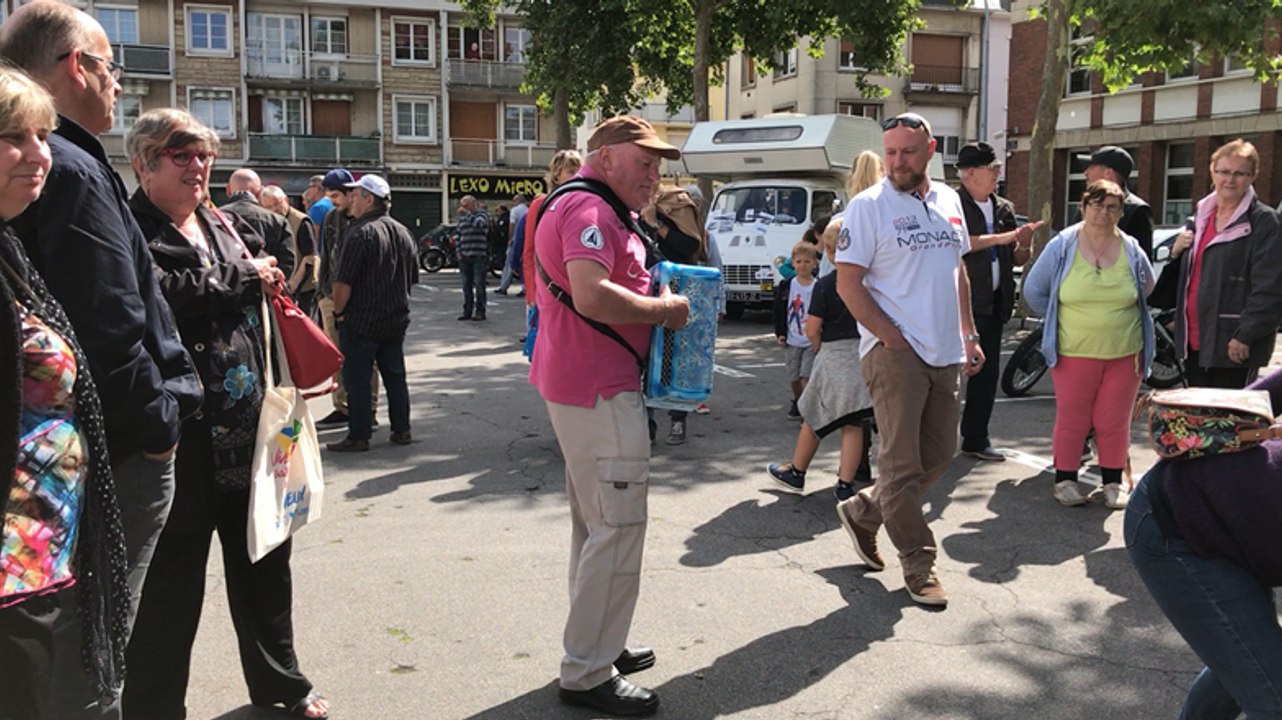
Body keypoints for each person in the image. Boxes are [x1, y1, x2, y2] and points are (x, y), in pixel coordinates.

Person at [0, 0, 202, 640]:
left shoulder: (58, 168)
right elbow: (108, 324)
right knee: (97, 643)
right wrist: (159, 427)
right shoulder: (75, 169)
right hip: (116, 450)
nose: (118, 84)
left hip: (86, 451)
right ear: (76, 66)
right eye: (111, 68)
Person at [121, 108, 329, 720]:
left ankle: (281, 684)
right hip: (178, 441)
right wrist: (242, 276)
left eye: (204, 156)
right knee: (170, 590)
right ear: (144, 164)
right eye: (181, 155)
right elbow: (157, 295)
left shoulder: (219, 221)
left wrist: (257, 272)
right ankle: (155, 708)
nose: (198, 167)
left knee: (265, 567)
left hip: (251, 432)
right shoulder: (132, 227)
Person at [530, 115, 689, 716]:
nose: (654, 176)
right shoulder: (590, 208)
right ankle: (588, 670)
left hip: (585, 381)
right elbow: (592, 294)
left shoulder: (593, 205)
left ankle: (599, 644)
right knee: (617, 526)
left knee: (597, 525)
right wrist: (664, 311)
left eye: (658, 166)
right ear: (607, 157)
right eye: (644, 162)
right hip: (598, 386)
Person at [0, 62, 131, 720]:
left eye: (43, 136)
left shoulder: (8, 249)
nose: (38, 154)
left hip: (39, 555)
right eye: (13, 137)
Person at [833, 112, 983, 608]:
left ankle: (864, 510)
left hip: (945, 349)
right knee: (901, 466)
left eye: (908, 152)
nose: (897, 162)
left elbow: (957, 271)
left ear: (931, 150)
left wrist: (968, 332)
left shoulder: (949, 199)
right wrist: (889, 336)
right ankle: (919, 565)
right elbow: (848, 284)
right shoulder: (867, 207)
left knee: (940, 454)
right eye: (890, 152)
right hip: (894, 354)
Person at [1126, 367, 1282, 720]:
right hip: (1177, 524)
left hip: (1237, 530)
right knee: (1270, 689)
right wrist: (1206, 424)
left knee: (1248, 661)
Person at [1022, 180, 1155, 510]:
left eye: (1112, 207)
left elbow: (1147, 287)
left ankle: (1113, 483)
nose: (1103, 213)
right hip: (1073, 352)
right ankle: (1065, 481)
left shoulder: (1131, 248)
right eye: (1096, 205)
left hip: (1125, 352)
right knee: (1073, 419)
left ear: (1120, 212)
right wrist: (1058, 317)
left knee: (1114, 420)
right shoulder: (1062, 245)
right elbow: (1034, 291)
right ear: (1083, 207)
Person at [1159, 139, 1282, 389]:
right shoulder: (1200, 217)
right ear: (1212, 172)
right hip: (1194, 340)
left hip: (1234, 344)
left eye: (1240, 173)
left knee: (1228, 413)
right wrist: (1176, 252)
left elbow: (1269, 288)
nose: (1230, 180)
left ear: (1253, 176)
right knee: (1198, 412)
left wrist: (1246, 335)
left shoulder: (1264, 221)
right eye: (1224, 171)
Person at [766, 217, 875, 501]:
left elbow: (812, 328)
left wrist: (817, 347)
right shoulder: (871, 281)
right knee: (853, 421)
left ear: (828, 251)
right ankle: (845, 484)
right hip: (863, 352)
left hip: (833, 352)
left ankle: (797, 471)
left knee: (812, 413)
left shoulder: (825, 285)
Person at [955, 142, 1040, 462]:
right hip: (959, 303)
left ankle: (976, 438)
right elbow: (959, 244)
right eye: (992, 169)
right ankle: (933, 440)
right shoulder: (952, 204)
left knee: (987, 374)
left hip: (995, 301)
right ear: (970, 173)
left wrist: (1024, 244)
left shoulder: (1004, 207)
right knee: (947, 373)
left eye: (998, 168)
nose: (997, 174)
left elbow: (1016, 257)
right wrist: (1004, 238)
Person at [326, 174, 418, 453]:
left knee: (358, 379)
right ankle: (401, 429)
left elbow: (343, 282)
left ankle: (359, 435)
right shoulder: (403, 232)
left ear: (369, 200)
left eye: (355, 195)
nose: (351, 200)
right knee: (395, 376)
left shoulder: (359, 233)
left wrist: (339, 312)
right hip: (395, 317)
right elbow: (412, 276)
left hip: (362, 319)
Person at [639, 185, 707, 446]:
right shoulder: (634, 208)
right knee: (644, 359)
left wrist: (656, 223)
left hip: (677, 289)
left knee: (674, 358)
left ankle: (678, 419)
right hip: (645, 289)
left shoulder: (675, 205)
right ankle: (647, 425)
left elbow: (690, 246)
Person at [313, 168, 378, 430]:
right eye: (329, 196)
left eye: (336, 196)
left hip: (358, 298)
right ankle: (342, 407)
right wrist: (322, 291)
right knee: (337, 356)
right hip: (331, 295)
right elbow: (326, 254)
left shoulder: (363, 218)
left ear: (351, 194)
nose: (333, 202)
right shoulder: (331, 217)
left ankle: (367, 410)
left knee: (363, 357)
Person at [1075, 146, 1154, 259]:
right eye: (1098, 206)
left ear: (1108, 173)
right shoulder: (1087, 205)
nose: (1085, 173)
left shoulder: (1137, 211)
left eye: (1091, 168)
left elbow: (1141, 261)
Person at [220, 168, 296, 280]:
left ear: (228, 190)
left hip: (227, 287)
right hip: (267, 286)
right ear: (260, 192)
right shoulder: (278, 221)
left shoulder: (213, 218)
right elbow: (287, 264)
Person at [773, 241, 820, 422]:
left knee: (805, 376)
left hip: (810, 339)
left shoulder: (818, 286)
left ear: (814, 263)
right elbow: (778, 310)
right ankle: (799, 401)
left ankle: (807, 410)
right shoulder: (787, 285)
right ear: (792, 263)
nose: (803, 265)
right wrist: (780, 333)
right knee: (794, 377)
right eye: (799, 261)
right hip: (792, 338)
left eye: (807, 261)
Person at [260, 185, 318, 317]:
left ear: (286, 200)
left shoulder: (301, 221)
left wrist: (293, 284)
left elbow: (310, 256)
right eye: (268, 207)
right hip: (278, 286)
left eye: (277, 204)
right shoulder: (266, 221)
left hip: (303, 288)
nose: (274, 209)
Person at [456, 194, 490, 321]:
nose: (463, 208)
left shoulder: (482, 215)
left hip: (478, 256)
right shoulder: (462, 218)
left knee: (479, 284)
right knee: (466, 286)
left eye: (466, 206)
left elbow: (479, 225)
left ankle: (480, 311)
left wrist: (467, 214)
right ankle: (467, 311)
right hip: (464, 256)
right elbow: (458, 234)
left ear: (473, 204)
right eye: (462, 206)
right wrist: (458, 252)